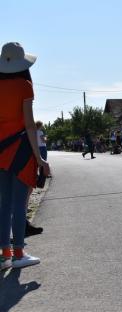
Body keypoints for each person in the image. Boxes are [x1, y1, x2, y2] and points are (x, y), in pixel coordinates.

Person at [0, 42, 50, 269]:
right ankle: (19, 253)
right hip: (20, 150)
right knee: (19, 204)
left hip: (0, 150)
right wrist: (40, 159)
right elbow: (30, 125)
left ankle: (4, 255)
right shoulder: (24, 85)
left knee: (4, 204)